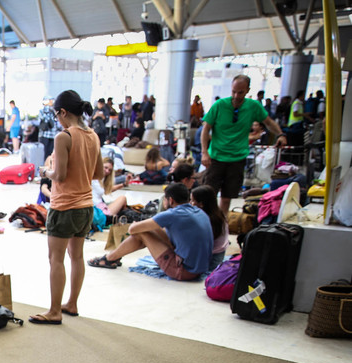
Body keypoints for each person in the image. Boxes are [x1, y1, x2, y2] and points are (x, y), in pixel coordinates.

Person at [31, 90, 102, 325]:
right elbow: (99, 173)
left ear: (63, 112)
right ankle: (71, 303)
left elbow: (59, 176)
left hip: (64, 207)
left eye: (56, 115)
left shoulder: (64, 137)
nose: (57, 121)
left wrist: (45, 171)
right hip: (85, 206)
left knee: (56, 259)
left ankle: (54, 311)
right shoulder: (92, 135)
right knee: (77, 256)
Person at [88, 182, 213, 281]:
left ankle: (110, 258)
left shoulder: (172, 214)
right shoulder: (198, 212)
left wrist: (139, 224)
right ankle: (112, 258)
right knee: (147, 231)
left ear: (170, 201)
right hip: (199, 269)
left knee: (141, 232)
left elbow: (132, 229)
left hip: (184, 271)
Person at [201, 75, 287, 217]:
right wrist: (205, 152)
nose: (236, 95)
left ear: (247, 90)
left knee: (227, 197)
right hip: (216, 157)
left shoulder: (253, 106)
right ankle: (205, 225)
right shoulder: (219, 105)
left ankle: (221, 228)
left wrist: (281, 135)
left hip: (237, 159)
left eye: (240, 92)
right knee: (207, 196)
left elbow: (269, 122)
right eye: (233, 91)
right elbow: (205, 129)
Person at [190, 185, 229, 273]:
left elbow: (200, 244)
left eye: (192, 200)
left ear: (201, 204)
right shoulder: (218, 213)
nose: (190, 203)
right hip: (218, 255)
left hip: (211, 259)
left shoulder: (206, 219)